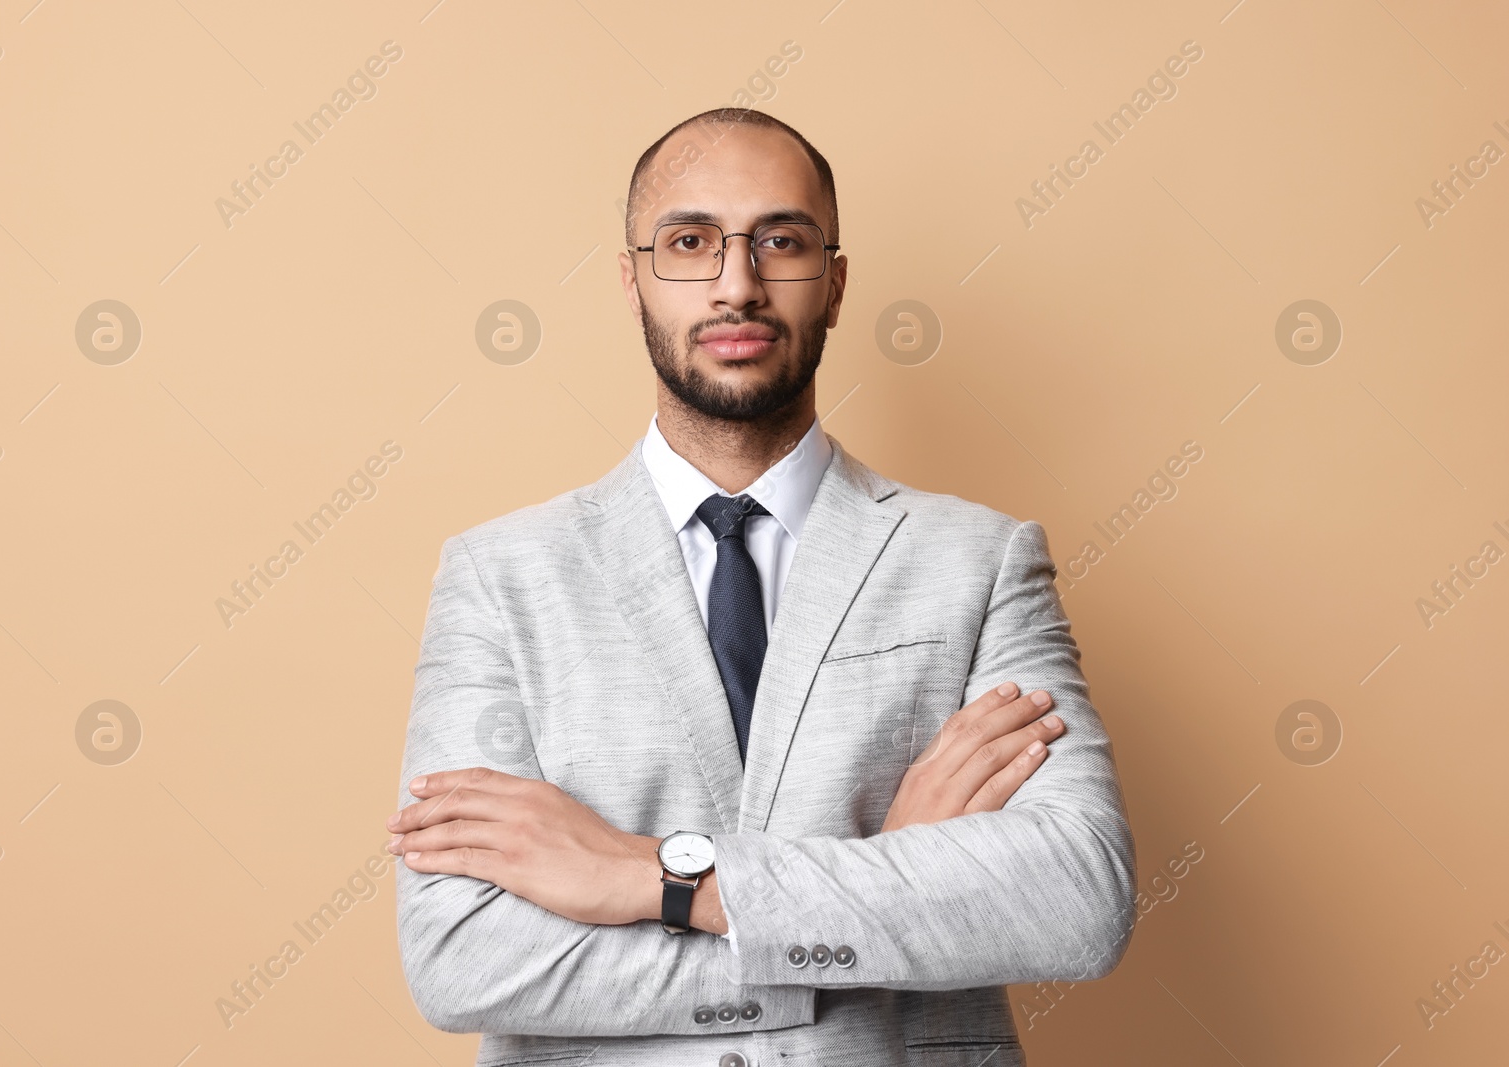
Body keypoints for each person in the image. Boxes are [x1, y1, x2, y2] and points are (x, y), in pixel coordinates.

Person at [388, 107, 1136, 1067]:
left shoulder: (978, 560)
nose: (736, 284)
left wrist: (655, 878)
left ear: (833, 282)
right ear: (632, 281)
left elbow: (1077, 898)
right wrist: (885, 883)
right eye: (690, 242)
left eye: (779, 241)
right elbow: (461, 958)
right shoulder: (499, 576)